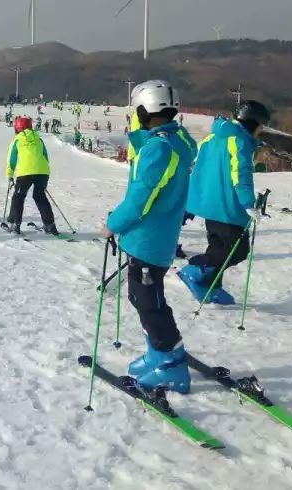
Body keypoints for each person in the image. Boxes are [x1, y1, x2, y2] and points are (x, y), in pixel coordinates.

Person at [105, 79, 194, 391]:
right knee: (139, 296)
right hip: (154, 236)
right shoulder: (176, 141)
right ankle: (158, 353)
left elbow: (140, 198)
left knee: (150, 303)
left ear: (144, 111)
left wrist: (113, 223)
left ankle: (171, 364)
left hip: (149, 238)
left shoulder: (159, 150)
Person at [178, 100, 271, 305]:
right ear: (252, 123)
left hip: (209, 204)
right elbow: (241, 174)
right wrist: (249, 204)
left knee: (218, 247)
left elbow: (199, 166)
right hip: (227, 206)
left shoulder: (212, 136)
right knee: (237, 250)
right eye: (261, 126)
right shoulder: (240, 141)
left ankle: (211, 286)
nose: (261, 131)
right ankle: (195, 269)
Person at [4, 116, 57, 235]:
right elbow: (45, 156)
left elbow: (11, 159)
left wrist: (10, 175)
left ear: (17, 128)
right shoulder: (39, 139)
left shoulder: (17, 140)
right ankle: (49, 225)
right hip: (43, 172)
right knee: (40, 196)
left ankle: (14, 224)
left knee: (19, 196)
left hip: (25, 173)